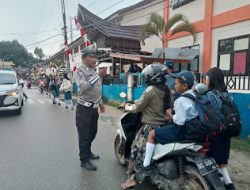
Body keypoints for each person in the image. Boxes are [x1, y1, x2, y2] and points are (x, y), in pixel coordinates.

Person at [121, 63, 172, 189]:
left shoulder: (150, 90)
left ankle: (131, 180)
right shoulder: (167, 90)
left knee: (135, 152)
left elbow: (138, 107)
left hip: (149, 127)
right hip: (165, 126)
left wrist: (126, 106)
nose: (147, 77)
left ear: (155, 76)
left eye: (149, 75)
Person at [141, 70, 197, 170]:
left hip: (180, 131)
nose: (174, 86)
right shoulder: (193, 96)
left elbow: (179, 121)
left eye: (176, 84)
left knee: (152, 134)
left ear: (184, 86)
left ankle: (146, 165)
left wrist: (169, 114)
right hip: (192, 130)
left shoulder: (181, 100)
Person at [204, 67, 236, 190]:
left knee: (210, 158)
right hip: (226, 130)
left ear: (212, 80)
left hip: (215, 131)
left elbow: (209, 113)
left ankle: (216, 184)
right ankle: (228, 184)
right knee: (221, 160)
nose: (205, 82)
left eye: (206, 79)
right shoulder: (226, 94)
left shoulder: (211, 94)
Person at [75, 45, 106, 171]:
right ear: (84, 58)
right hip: (84, 109)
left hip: (94, 108)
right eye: (91, 56)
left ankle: (88, 151)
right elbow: (83, 87)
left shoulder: (93, 71)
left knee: (93, 133)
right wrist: (98, 76)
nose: (94, 59)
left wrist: (101, 102)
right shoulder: (80, 71)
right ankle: (84, 160)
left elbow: (96, 89)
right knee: (84, 135)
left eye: (95, 57)